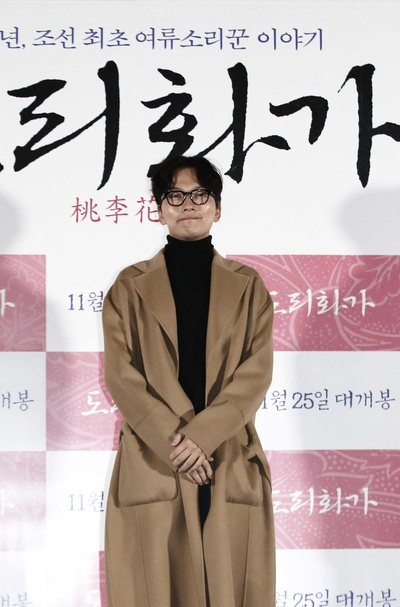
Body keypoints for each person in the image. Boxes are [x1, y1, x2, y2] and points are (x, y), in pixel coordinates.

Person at [102, 155, 275, 607]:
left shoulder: (250, 285)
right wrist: (179, 445)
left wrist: (201, 437)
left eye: (200, 194)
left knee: (230, 583)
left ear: (218, 207)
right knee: (156, 587)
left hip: (227, 454)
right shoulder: (128, 286)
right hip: (155, 457)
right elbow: (121, 376)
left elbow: (256, 372)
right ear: (159, 210)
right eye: (175, 196)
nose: (188, 204)